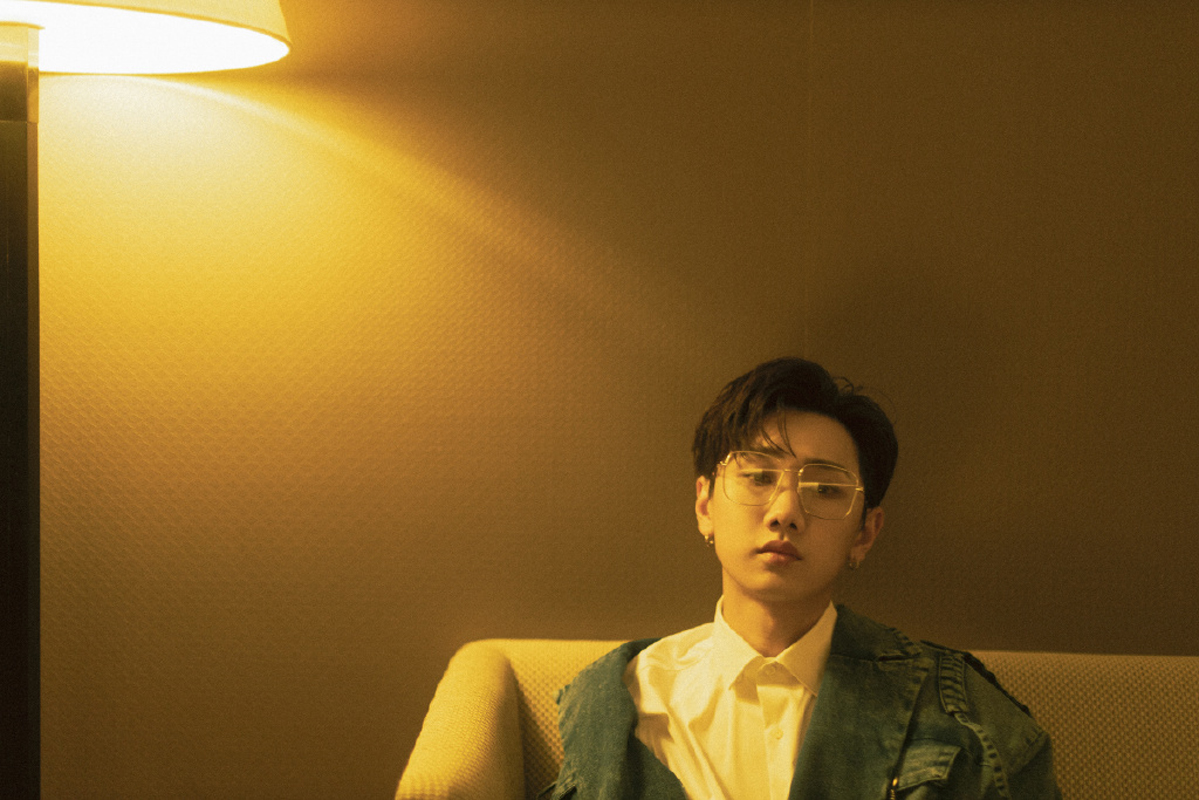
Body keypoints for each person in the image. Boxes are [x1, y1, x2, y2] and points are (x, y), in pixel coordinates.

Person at [546, 357, 1060, 799]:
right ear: (705, 505)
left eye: (826, 489)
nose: (785, 512)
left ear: (865, 533)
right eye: (758, 476)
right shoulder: (621, 701)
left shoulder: (960, 711)